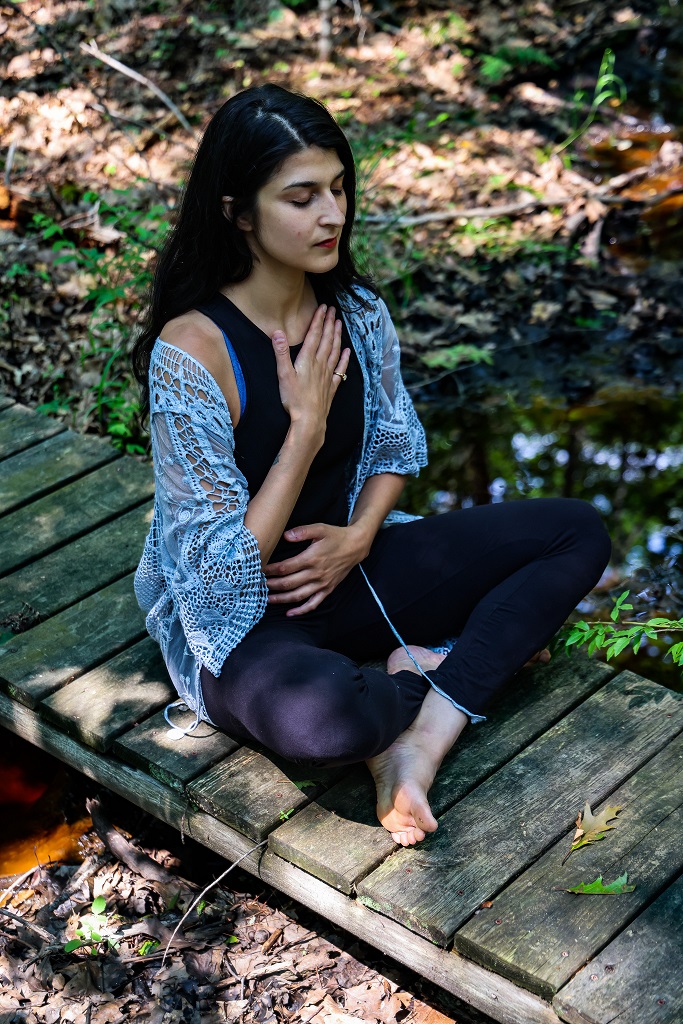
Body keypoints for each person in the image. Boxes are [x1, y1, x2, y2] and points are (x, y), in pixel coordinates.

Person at [132, 84, 611, 847]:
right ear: (236, 211)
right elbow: (218, 577)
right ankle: (414, 679)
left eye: (338, 188)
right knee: (325, 722)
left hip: (350, 569)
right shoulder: (193, 352)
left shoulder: (353, 309)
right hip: (244, 618)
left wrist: (358, 536)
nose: (332, 215)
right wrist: (305, 429)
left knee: (574, 531)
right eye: (302, 196)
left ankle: (420, 734)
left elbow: (395, 442)